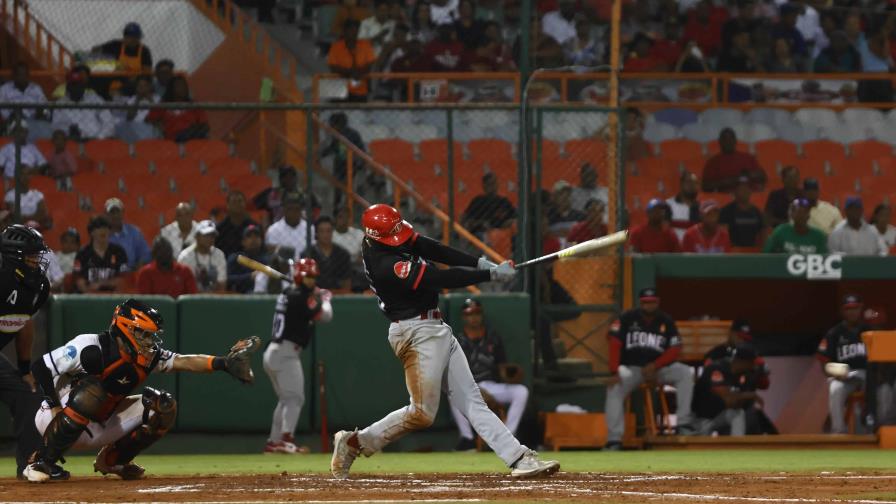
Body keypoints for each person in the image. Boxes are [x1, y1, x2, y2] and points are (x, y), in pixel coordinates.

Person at [330, 204, 558, 479]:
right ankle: (356, 442)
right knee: (423, 413)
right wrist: (489, 274)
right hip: (416, 333)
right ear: (376, 236)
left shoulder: (384, 238)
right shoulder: (385, 264)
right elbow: (439, 277)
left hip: (433, 327)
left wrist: (479, 262)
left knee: (473, 402)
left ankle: (519, 458)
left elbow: (433, 248)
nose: (400, 237)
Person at [22, 300, 258, 481]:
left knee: (163, 406)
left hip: (100, 422)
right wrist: (52, 405)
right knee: (93, 391)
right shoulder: (90, 346)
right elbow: (40, 367)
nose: (149, 340)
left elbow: (184, 361)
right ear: (126, 329)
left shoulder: (148, 356)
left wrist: (223, 363)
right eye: (143, 333)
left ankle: (113, 461)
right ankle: (41, 462)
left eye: (151, 335)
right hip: (57, 417)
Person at [603, 287, 695, 450]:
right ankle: (614, 439)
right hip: (632, 369)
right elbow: (615, 343)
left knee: (685, 373)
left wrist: (656, 365)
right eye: (646, 302)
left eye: (652, 302)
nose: (649, 305)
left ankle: (683, 424)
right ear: (640, 303)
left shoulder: (666, 320)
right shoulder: (627, 318)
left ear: (657, 302)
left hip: (659, 369)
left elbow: (675, 348)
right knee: (614, 387)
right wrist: (613, 371)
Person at [263, 258, 333, 454]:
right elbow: (326, 316)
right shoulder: (299, 296)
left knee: (286, 399)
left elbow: (305, 298)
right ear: (298, 276)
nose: (311, 280)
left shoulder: (289, 293)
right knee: (295, 399)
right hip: (286, 354)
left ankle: (274, 442)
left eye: (313, 277)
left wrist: (313, 293)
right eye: (307, 277)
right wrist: (325, 299)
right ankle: (286, 440)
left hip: (275, 353)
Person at [0, 225, 51, 479]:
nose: (36, 260)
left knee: (29, 395)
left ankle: (30, 464)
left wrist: (23, 370)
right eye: (30, 255)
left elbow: (24, 322)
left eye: (37, 254)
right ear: (13, 255)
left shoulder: (38, 287)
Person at [450, 299, 529, 451]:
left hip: (492, 386)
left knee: (521, 391)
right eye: (470, 314)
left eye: (477, 313)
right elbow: (454, 373)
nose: (474, 317)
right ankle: (468, 439)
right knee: (452, 394)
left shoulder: (493, 337)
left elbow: (501, 366)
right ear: (463, 317)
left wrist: (508, 374)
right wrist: (476, 390)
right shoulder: (457, 341)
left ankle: (507, 438)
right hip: (470, 387)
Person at [816, 295, 879, 434]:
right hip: (844, 375)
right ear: (843, 311)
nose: (852, 312)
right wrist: (834, 373)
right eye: (848, 309)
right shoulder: (834, 333)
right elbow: (823, 359)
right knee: (835, 388)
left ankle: (871, 427)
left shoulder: (870, 331)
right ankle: (839, 431)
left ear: (860, 309)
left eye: (855, 308)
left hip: (866, 375)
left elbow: (881, 358)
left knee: (876, 385)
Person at [693, 344, 764, 436]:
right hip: (701, 419)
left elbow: (736, 404)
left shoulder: (742, 375)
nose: (754, 366)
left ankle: (737, 447)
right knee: (700, 447)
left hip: (719, 417)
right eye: (752, 363)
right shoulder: (717, 368)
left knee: (738, 413)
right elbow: (727, 399)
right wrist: (751, 395)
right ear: (742, 362)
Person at [51, 68, 115, 141]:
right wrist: (68, 133)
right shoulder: (60, 103)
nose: (77, 88)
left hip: (97, 142)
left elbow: (109, 122)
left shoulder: (94, 99)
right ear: (68, 87)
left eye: (79, 84)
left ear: (84, 86)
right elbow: (56, 128)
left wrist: (98, 138)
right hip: (71, 143)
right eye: (73, 85)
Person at [73, 216, 129, 294]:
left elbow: (122, 280)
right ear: (92, 232)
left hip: (113, 297)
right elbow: (78, 280)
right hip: (88, 297)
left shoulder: (119, 252)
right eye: (99, 228)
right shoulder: (82, 253)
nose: (103, 230)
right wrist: (88, 293)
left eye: (106, 228)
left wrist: (100, 284)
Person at [702, 128, 766, 193]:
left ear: (735, 141)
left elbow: (762, 176)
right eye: (725, 140)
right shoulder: (713, 162)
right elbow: (705, 186)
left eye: (731, 139)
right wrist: (725, 182)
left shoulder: (747, 157)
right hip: (725, 197)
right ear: (720, 142)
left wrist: (747, 176)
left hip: (750, 195)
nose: (728, 142)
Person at [146, 76, 209, 142]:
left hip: (192, 140)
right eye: (179, 86)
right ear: (172, 88)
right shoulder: (164, 104)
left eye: (184, 86)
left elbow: (205, 125)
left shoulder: (194, 104)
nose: (183, 88)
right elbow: (149, 118)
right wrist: (159, 125)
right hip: (172, 141)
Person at [328, 19, 377, 101]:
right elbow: (333, 67)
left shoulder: (365, 45)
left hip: (360, 89)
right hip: (339, 89)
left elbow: (369, 65)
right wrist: (352, 73)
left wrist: (357, 72)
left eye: (356, 30)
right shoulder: (336, 47)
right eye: (351, 30)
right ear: (344, 31)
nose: (354, 33)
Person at [252, 166, 321, 224]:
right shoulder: (271, 194)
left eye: (291, 176)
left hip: (300, 229)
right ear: (280, 179)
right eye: (285, 176)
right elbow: (254, 205)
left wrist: (311, 220)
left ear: (295, 178)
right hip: (278, 230)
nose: (288, 179)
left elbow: (317, 208)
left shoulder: (305, 193)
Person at [301, 216, 351, 291]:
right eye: (322, 231)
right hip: (315, 294)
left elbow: (347, 282)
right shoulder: (307, 254)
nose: (325, 235)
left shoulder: (343, 254)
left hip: (338, 295)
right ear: (316, 233)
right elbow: (304, 281)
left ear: (332, 232)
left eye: (328, 231)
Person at [763, 198, 828, 254]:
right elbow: (766, 255)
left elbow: (824, 259)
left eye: (805, 212)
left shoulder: (818, 236)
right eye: (798, 212)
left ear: (809, 215)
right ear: (791, 215)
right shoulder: (780, 232)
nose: (801, 215)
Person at [178, 220, 227, 293]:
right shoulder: (185, 256)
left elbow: (222, 284)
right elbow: (181, 286)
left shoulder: (219, 255)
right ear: (197, 236)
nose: (210, 239)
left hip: (214, 299)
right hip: (190, 299)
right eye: (206, 235)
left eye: (212, 236)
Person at [105, 198, 151, 271]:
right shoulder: (103, 235)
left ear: (123, 213)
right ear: (106, 215)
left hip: (133, 273)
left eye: (118, 212)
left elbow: (145, 255)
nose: (115, 215)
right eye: (112, 212)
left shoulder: (134, 232)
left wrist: (136, 270)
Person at [0, 62, 48, 132]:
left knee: (47, 130)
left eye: (24, 74)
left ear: (28, 75)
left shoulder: (36, 88)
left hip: (35, 121)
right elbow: (2, 109)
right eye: (19, 74)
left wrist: (42, 111)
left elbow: (45, 106)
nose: (22, 77)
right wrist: (12, 116)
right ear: (14, 75)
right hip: (14, 122)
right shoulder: (4, 89)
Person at [266, 192, 314, 261]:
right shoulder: (273, 230)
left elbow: (311, 253)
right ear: (284, 209)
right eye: (290, 209)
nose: (293, 213)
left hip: (303, 269)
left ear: (301, 210)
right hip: (281, 270)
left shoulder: (309, 228)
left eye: (296, 209)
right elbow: (272, 257)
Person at [720, 176, 764, 248]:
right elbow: (723, 236)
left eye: (747, 188)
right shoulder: (726, 211)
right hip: (733, 252)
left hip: (753, 252)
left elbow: (762, 234)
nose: (745, 191)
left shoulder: (757, 212)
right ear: (734, 192)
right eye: (741, 188)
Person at [114, 75, 159, 143]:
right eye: (140, 86)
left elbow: (157, 115)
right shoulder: (132, 99)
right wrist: (137, 100)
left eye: (145, 86)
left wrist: (150, 99)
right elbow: (129, 117)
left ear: (150, 86)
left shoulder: (157, 98)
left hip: (150, 127)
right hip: (133, 128)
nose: (142, 88)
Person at [0, 120, 47, 185]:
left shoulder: (33, 148)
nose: (19, 133)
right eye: (16, 131)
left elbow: (43, 164)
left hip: (30, 181)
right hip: (11, 180)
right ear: (13, 133)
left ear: (26, 132)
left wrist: (33, 170)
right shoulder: (6, 148)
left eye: (22, 131)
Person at [216, 191, 260, 258]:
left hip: (251, 262)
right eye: (234, 202)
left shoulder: (254, 226)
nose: (237, 204)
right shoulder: (220, 229)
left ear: (245, 204)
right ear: (228, 205)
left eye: (240, 201)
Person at [665, 172, 700, 241]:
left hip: (694, 249)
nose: (692, 185)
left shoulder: (702, 208)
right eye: (689, 182)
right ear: (681, 184)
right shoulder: (668, 204)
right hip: (673, 249)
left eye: (695, 183)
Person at [764, 165, 802, 229]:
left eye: (795, 177)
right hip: (780, 231)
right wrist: (787, 223)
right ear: (783, 179)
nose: (793, 180)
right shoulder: (775, 196)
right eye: (790, 177)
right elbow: (768, 218)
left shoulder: (803, 196)